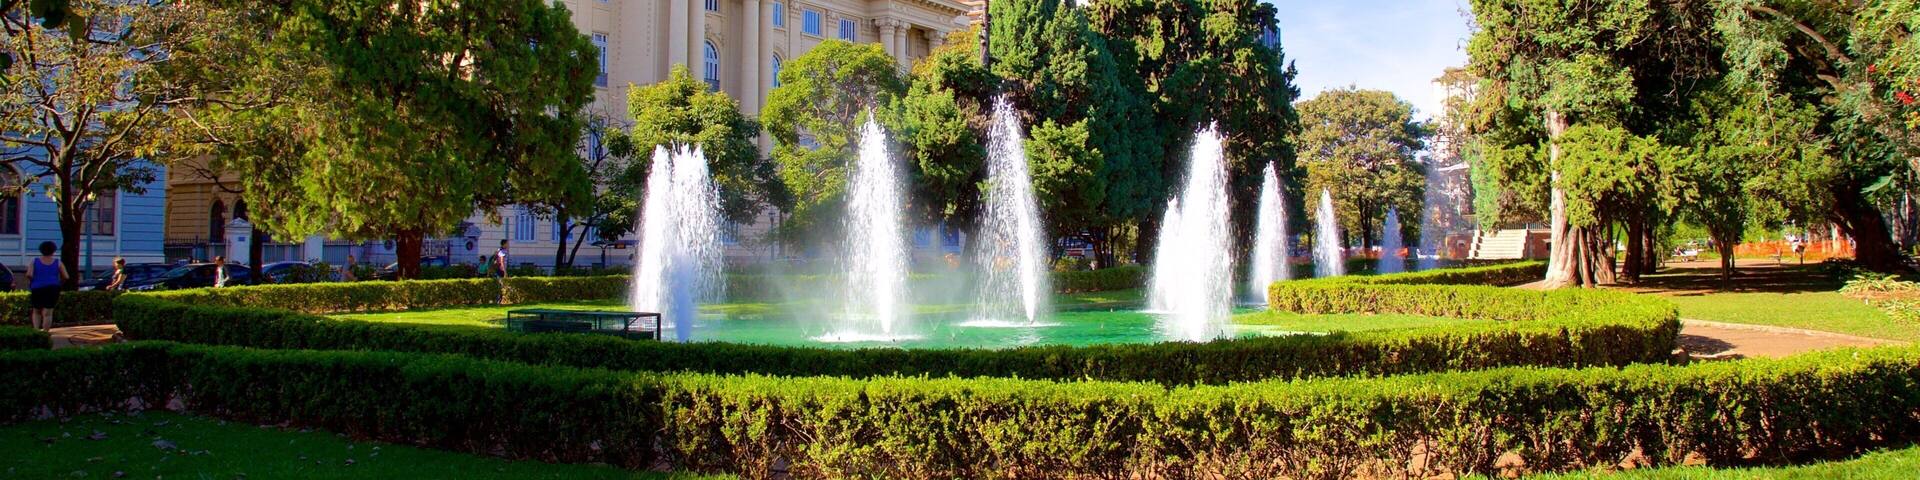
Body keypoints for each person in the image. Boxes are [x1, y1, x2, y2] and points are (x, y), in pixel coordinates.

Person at [24, 241, 67, 330]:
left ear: (41, 250)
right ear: (53, 251)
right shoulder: (58, 262)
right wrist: (59, 283)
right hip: (53, 288)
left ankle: (36, 330)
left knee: (36, 311)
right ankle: (45, 332)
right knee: (48, 312)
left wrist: (32, 281)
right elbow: (66, 276)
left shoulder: (34, 261)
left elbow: (29, 274)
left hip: (37, 288)